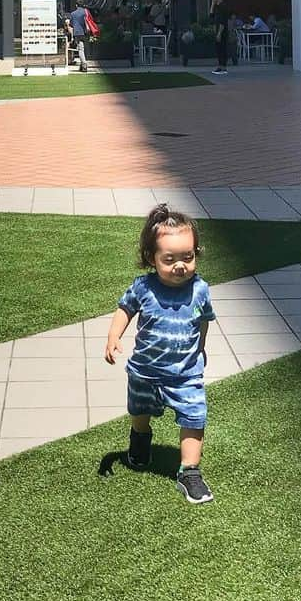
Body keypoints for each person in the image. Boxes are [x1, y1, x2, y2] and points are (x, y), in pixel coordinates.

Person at [104, 204, 216, 504]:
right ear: (151, 258)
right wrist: (114, 336)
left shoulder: (200, 289)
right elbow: (124, 309)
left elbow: (203, 321)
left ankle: (189, 472)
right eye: (169, 259)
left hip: (185, 373)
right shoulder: (143, 287)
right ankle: (140, 441)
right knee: (140, 412)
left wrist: (201, 349)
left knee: (194, 416)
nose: (180, 265)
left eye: (187, 257)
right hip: (145, 372)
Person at [210, 0, 231, 76]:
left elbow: (223, 21)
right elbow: (211, 16)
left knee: (222, 48)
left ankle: (223, 67)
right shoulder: (217, 7)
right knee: (218, 49)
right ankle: (220, 66)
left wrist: (219, 33)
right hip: (217, 30)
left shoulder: (223, 7)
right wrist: (212, 5)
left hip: (222, 31)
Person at [68, 0, 89, 73]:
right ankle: (82, 64)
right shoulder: (85, 12)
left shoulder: (73, 14)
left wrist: (72, 36)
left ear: (76, 5)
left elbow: (71, 25)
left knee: (80, 49)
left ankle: (84, 64)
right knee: (83, 48)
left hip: (77, 33)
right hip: (85, 32)